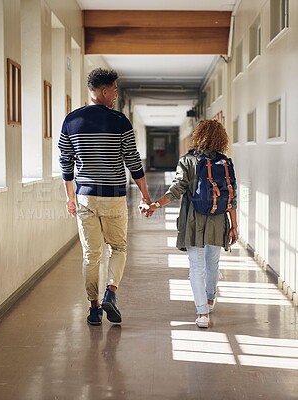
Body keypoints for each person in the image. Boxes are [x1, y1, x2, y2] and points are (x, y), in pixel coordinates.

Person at [59, 68, 151, 326]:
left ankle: (94, 308)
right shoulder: (120, 121)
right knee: (118, 247)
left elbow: (65, 163)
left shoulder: (71, 121)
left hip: (85, 197)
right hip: (113, 197)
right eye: (114, 90)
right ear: (103, 91)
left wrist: (69, 198)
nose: (116, 94)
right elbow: (133, 162)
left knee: (91, 254)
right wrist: (145, 196)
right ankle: (111, 291)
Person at [139, 119, 238, 328]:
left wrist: (154, 205)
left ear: (198, 136)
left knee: (197, 266)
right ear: (221, 139)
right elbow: (231, 198)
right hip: (219, 220)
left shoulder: (187, 160)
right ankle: (210, 299)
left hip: (193, 220)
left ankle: (202, 314)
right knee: (213, 263)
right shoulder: (225, 162)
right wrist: (234, 226)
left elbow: (176, 190)